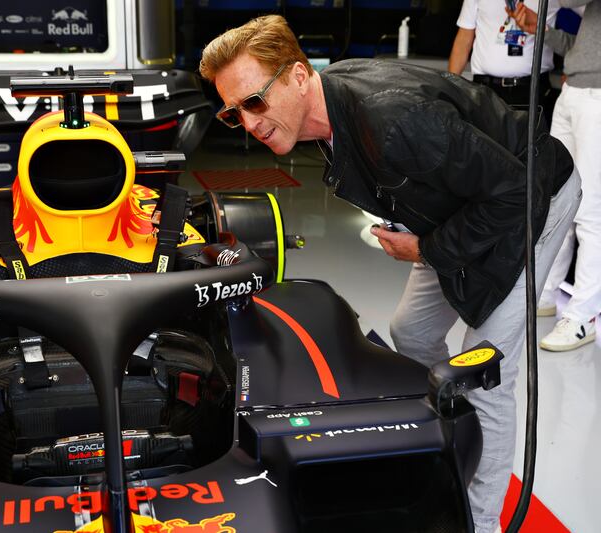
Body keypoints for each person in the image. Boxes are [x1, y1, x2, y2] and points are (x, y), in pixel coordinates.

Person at [199, 15, 579, 533]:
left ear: (298, 76)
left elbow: (516, 192)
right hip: (457, 210)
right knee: (413, 331)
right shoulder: (332, 109)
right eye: (232, 113)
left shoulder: (395, 121)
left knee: (486, 376)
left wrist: (428, 246)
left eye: (255, 101)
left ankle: (483, 522)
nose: (248, 123)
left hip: (535, 199)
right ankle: (440, 439)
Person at [510, 0, 601, 351]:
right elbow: (583, 46)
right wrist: (544, 32)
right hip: (574, 89)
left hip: (596, 96)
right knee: (555, 198)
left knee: (590, 209)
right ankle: (545, 292)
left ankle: (582, 317)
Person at [448, 0, 559, 113]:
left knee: (532, 130)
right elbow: (464, 37)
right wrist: (449, 85)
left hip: (533, 88)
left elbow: (577, 34)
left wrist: (573, 71)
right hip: (485, 87)